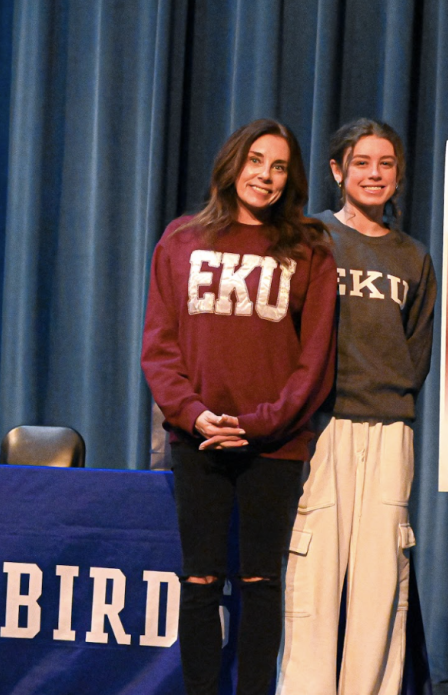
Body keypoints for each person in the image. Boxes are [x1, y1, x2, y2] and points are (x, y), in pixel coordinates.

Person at [141, 118, 337, 695]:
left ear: (290, 178)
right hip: (196, 437)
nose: (266, 176)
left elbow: (315, 360)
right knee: (200, 581)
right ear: (233, 165)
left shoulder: (310, 248)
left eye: (279, 166)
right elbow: (159, 346)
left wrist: (258, 425)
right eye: (256, 161)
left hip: (274, 446)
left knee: (260, 583)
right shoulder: (180, 240)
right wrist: (193, 414)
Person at [277, 118, 437, 695]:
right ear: (337, 171)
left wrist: (389, 401)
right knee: (313, 579)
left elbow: (414, 350)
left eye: (386, 164)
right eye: (362, 163)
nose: (375, 174)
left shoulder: (413, 258)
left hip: (390, 431)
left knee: (379, 586)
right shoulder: (308, 237)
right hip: (321, 429)